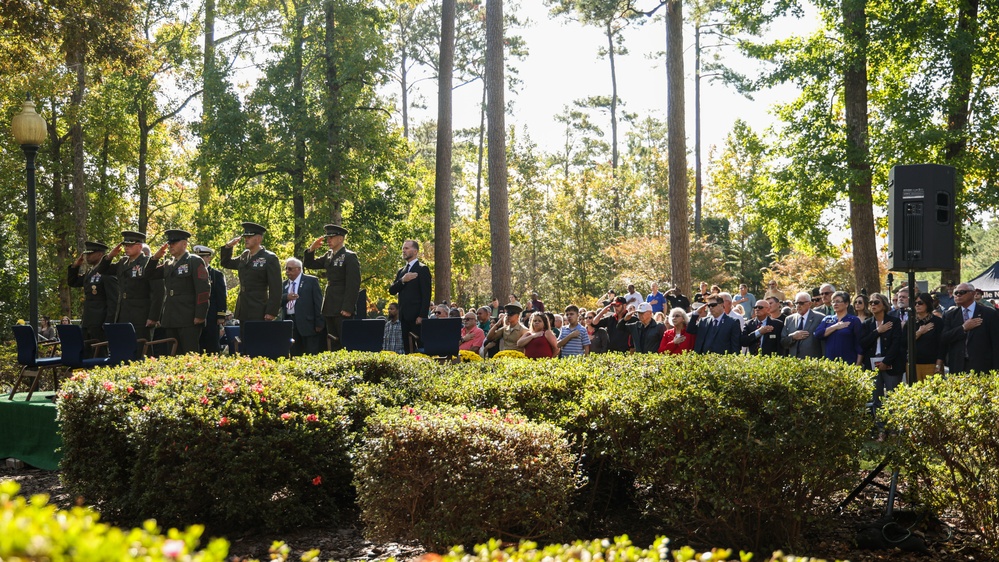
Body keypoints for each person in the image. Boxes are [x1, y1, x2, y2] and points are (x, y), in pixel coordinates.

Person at [93, 231, 164, 346]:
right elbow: (102, 270)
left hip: (141, 315)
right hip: (123, 313)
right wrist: (110, 256)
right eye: (125, 245)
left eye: (130, 245)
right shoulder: (122, 262)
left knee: (141, 348)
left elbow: (158, 292)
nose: (127, 248)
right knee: (124, 348)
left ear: (140, 246)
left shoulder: (148, 263)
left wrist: (153, 317)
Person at [148, 229, 210, 355]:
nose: (171, 246)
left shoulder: (194, 261)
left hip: (189, 317)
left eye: (174, 243)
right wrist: (155, 257)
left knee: (189, 355)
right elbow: (148, 274)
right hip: (171, 317)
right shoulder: (169, 263)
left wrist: (200, 315)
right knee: (173, 354)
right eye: (169, 243)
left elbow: (203, 289)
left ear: (184, 244)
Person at [305, 224, 362, 351]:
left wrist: (348, 307)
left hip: (342, 304)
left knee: (345, 341)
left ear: (340, 239)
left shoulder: (349, 256)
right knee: (333, 339)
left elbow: (353, 284)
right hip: (330, 303)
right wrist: (311, 249)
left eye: (332, 237)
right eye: (327, 237)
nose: (328, 240)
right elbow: (309, 264)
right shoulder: (329, 255)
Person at [220, 222, 282, 323]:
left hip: (259, 308)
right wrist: (228, 247)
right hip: (243, 308)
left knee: (257, 338)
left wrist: (271, 312)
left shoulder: (269, 258)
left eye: (249, 237)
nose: (246, 239)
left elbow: (276, 288)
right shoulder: (245, 256)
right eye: (245, 237)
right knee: (244, 338)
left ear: (258, 239)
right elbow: (226, 263)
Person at [859, 293, 905, 422]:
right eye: (871, 303)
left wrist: (886, 361)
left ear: (884, 305)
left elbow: (896, 344)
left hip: (891, 364)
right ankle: (881, 429)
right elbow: (863, 343)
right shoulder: (867, 324)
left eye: (876, 302)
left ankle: (894, 428)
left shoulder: (894, 322)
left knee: (892, 397)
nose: (873, 305)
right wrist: (878, 331)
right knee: (876, 399)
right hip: (872, 365)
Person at [940, 282, 999, 374]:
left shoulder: (989, 314)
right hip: (958, 366)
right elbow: (944, 338)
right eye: (956, 293)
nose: (958, 295)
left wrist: (996, 369)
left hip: (982, 366)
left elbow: (996, 343)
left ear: (973, 293)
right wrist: (963, 328)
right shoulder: (950, 315)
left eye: (962, 292)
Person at [68, 241, 119, 344]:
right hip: (88, 319)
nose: (87, 257)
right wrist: (75, 267)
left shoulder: (107, 272)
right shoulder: (90, 272)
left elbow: (113, 300)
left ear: (100, 254)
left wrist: (108, 322)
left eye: (90, 254)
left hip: (100, 321)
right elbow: (73, 282)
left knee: (99, 352)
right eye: (87, 254)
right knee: (87, 351)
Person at [388, 239, 432, 354]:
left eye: (407, 248)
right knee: (407, 348)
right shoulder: (401, 271)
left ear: (415, 251)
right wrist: (403, 280)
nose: (404, 250)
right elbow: (392, 290)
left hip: (417, 317)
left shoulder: (422, 269)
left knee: (420, 346)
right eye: (403, 248)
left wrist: (422, 315)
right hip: (403, 317)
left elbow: (426, 294)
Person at [281, 257, 325, 356]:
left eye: (290, 269)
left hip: (308, 324)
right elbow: (277, 302)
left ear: (299, 269)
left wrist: (319, 322)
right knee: (294, 353)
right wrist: (285, 297)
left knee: (311, 353)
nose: (287, 271)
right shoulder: (284, 284)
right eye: (286, 268)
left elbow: (318, 303)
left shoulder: (311, 281)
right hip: (290, 323)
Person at [191, 245, 228, 353]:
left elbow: (221, 296)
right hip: (194, 314)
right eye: (198, 257)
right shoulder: (191, 273)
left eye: (203, 257)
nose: (200, 260)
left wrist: (221, 315)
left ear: (209, 258)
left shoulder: (216, 275)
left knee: (211, 345)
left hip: (211, 316)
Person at [814, 290, 862, 365]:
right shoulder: (827, 319)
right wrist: (835, 326)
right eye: (833, 302)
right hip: (830, 363)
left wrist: (858, 364)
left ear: (846, 304)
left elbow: (859, 344)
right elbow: (817, 334)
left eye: (838, 301)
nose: (835, 304)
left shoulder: (854, 320)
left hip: (848, 362)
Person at [781, 292, 826, 359]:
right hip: (793, 362)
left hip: (813, 361)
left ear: (810, 304)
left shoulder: (820, 318)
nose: (798, 306)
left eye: (801, 303)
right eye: (796, 303)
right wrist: (793, 337)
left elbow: (824, 343)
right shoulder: (789, 319)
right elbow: (783, 342)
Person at [911, 292, 944, 382]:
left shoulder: (937, 322)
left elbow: (942, 345)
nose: (917, 305)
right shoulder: (910, 322)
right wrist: (919, 332)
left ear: (928, 304)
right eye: (915, 303)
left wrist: (938, 365)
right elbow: (904, 343)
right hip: (913, 365)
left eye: (920, 303)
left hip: (931, 364)